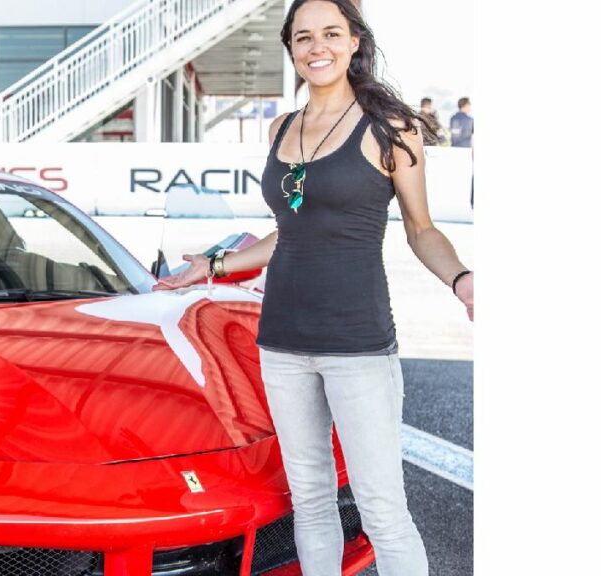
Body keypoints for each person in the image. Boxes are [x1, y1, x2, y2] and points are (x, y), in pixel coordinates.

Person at [152, 1, 474, 574]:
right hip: (282, 343)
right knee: (309, 499)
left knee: (382, 510)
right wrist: (216, 264)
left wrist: (463, 279)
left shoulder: (389, 127)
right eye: (303, 37)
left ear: (354, 43)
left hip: (359, 346)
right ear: (292, 48)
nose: (316, 46)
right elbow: (290, 231)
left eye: (330, 34)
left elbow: (422, 231)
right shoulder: (283, 127)